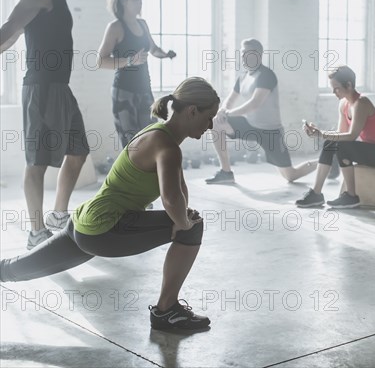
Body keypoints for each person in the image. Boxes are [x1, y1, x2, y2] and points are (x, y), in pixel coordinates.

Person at [0, 77, 220, 331]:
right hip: (106, 229)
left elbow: (180, 191)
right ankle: (166, 311)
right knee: (193, 227)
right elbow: (170, 200)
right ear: (193, 111)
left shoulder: (159, 135)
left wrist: (183, 216)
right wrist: (184, 224)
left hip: (84, 224)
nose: (211, 125)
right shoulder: (167, 146)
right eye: (209, 117)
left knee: (16, 269)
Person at [0, 0, 89, 249]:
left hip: (60, 88)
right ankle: (37, 233)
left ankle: (58, 217)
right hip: (41, 88)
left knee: (78, 151)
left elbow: (15, 33)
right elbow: (10, 30)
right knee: (36, 162)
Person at [205, 38, 317, 184]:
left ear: (258, 54)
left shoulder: (266, 75)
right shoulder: (243, 77)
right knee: (215, 124)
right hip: (249, 125)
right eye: (242, 53)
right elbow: (230, 100)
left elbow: (254, 104)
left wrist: (227, 114)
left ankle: (324, 163)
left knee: (290, 176)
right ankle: (226, 172)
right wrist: (222, 111)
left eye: (247, 53)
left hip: (270, 131)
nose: (243, 56)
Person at [296, 66, 375, 209]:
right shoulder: (343, 104)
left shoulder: (361, 103)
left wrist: (321, 133)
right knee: (330, 142)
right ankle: (316, 193)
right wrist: (318, 132)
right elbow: (340, 133)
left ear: (349, 85)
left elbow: (351, 136)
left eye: (336, 88)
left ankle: (351, 196)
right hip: (371, 150)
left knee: (341, 145)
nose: (333, 92)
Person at [97, 0, 176, 149]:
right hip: (124, 92)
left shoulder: (143, 24)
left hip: (145, 90)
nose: (139, 3)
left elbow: (153, 48)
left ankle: (148, 174)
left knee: (150, 137)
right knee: (132, 144)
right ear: (124, 1)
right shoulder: (115, 27)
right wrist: (130, 61)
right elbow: (101, 61)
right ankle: (129, 175)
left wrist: (165, 54)